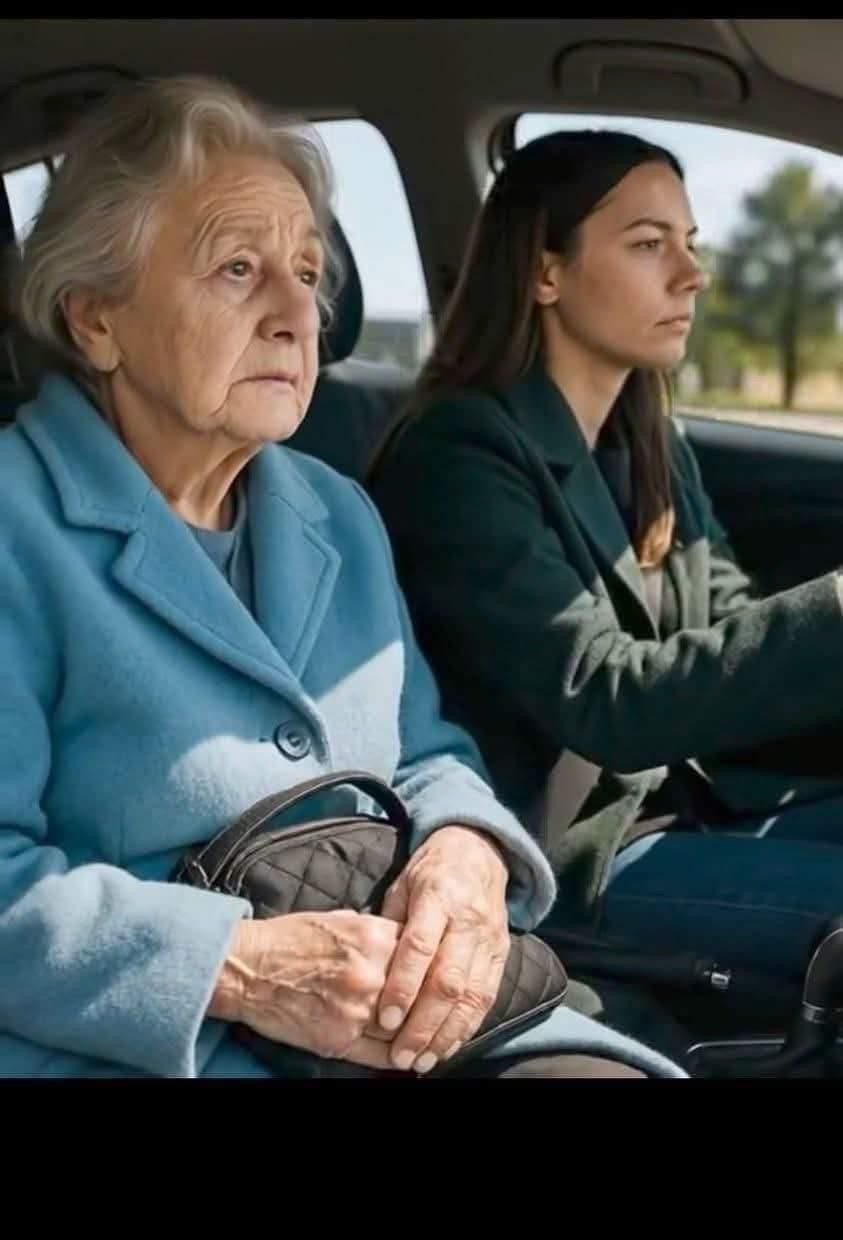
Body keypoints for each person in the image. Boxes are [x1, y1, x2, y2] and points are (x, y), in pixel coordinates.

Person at [0, 77, 684, 1079]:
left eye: (309, 273)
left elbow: (426, 752)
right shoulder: (16, 527)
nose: (297, 314)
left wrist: (465, 850)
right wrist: (238, 968)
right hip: (153, 1044)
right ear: (95, 317)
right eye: (238, 268)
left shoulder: (336, 511)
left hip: (404, 1012)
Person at [368, 128, 843, 987]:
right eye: (648, 245)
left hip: (691, 803)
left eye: (689, 243)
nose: (691, 275)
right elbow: (604, 702)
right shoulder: (458, 454)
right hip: (567, 853)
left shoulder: (648, 440)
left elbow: (729, 628)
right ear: (544, 272)